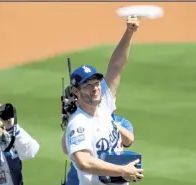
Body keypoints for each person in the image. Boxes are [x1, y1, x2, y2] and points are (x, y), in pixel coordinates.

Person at [64, 15, 144, 185]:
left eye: (97, 84)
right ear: (76, 91)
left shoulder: (104, 105)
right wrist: (122, 170)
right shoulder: (78, 123)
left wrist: (129, 32)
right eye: (88, 85)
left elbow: (116, 66)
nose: (95, 89)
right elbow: (83, 161)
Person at [61, 86, 135, 185]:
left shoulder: (121, 121)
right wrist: (72, 116)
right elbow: (65, 149)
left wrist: (112, 124)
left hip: (110, 176)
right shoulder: (80, 121)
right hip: (77, 179)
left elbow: (129, 140)